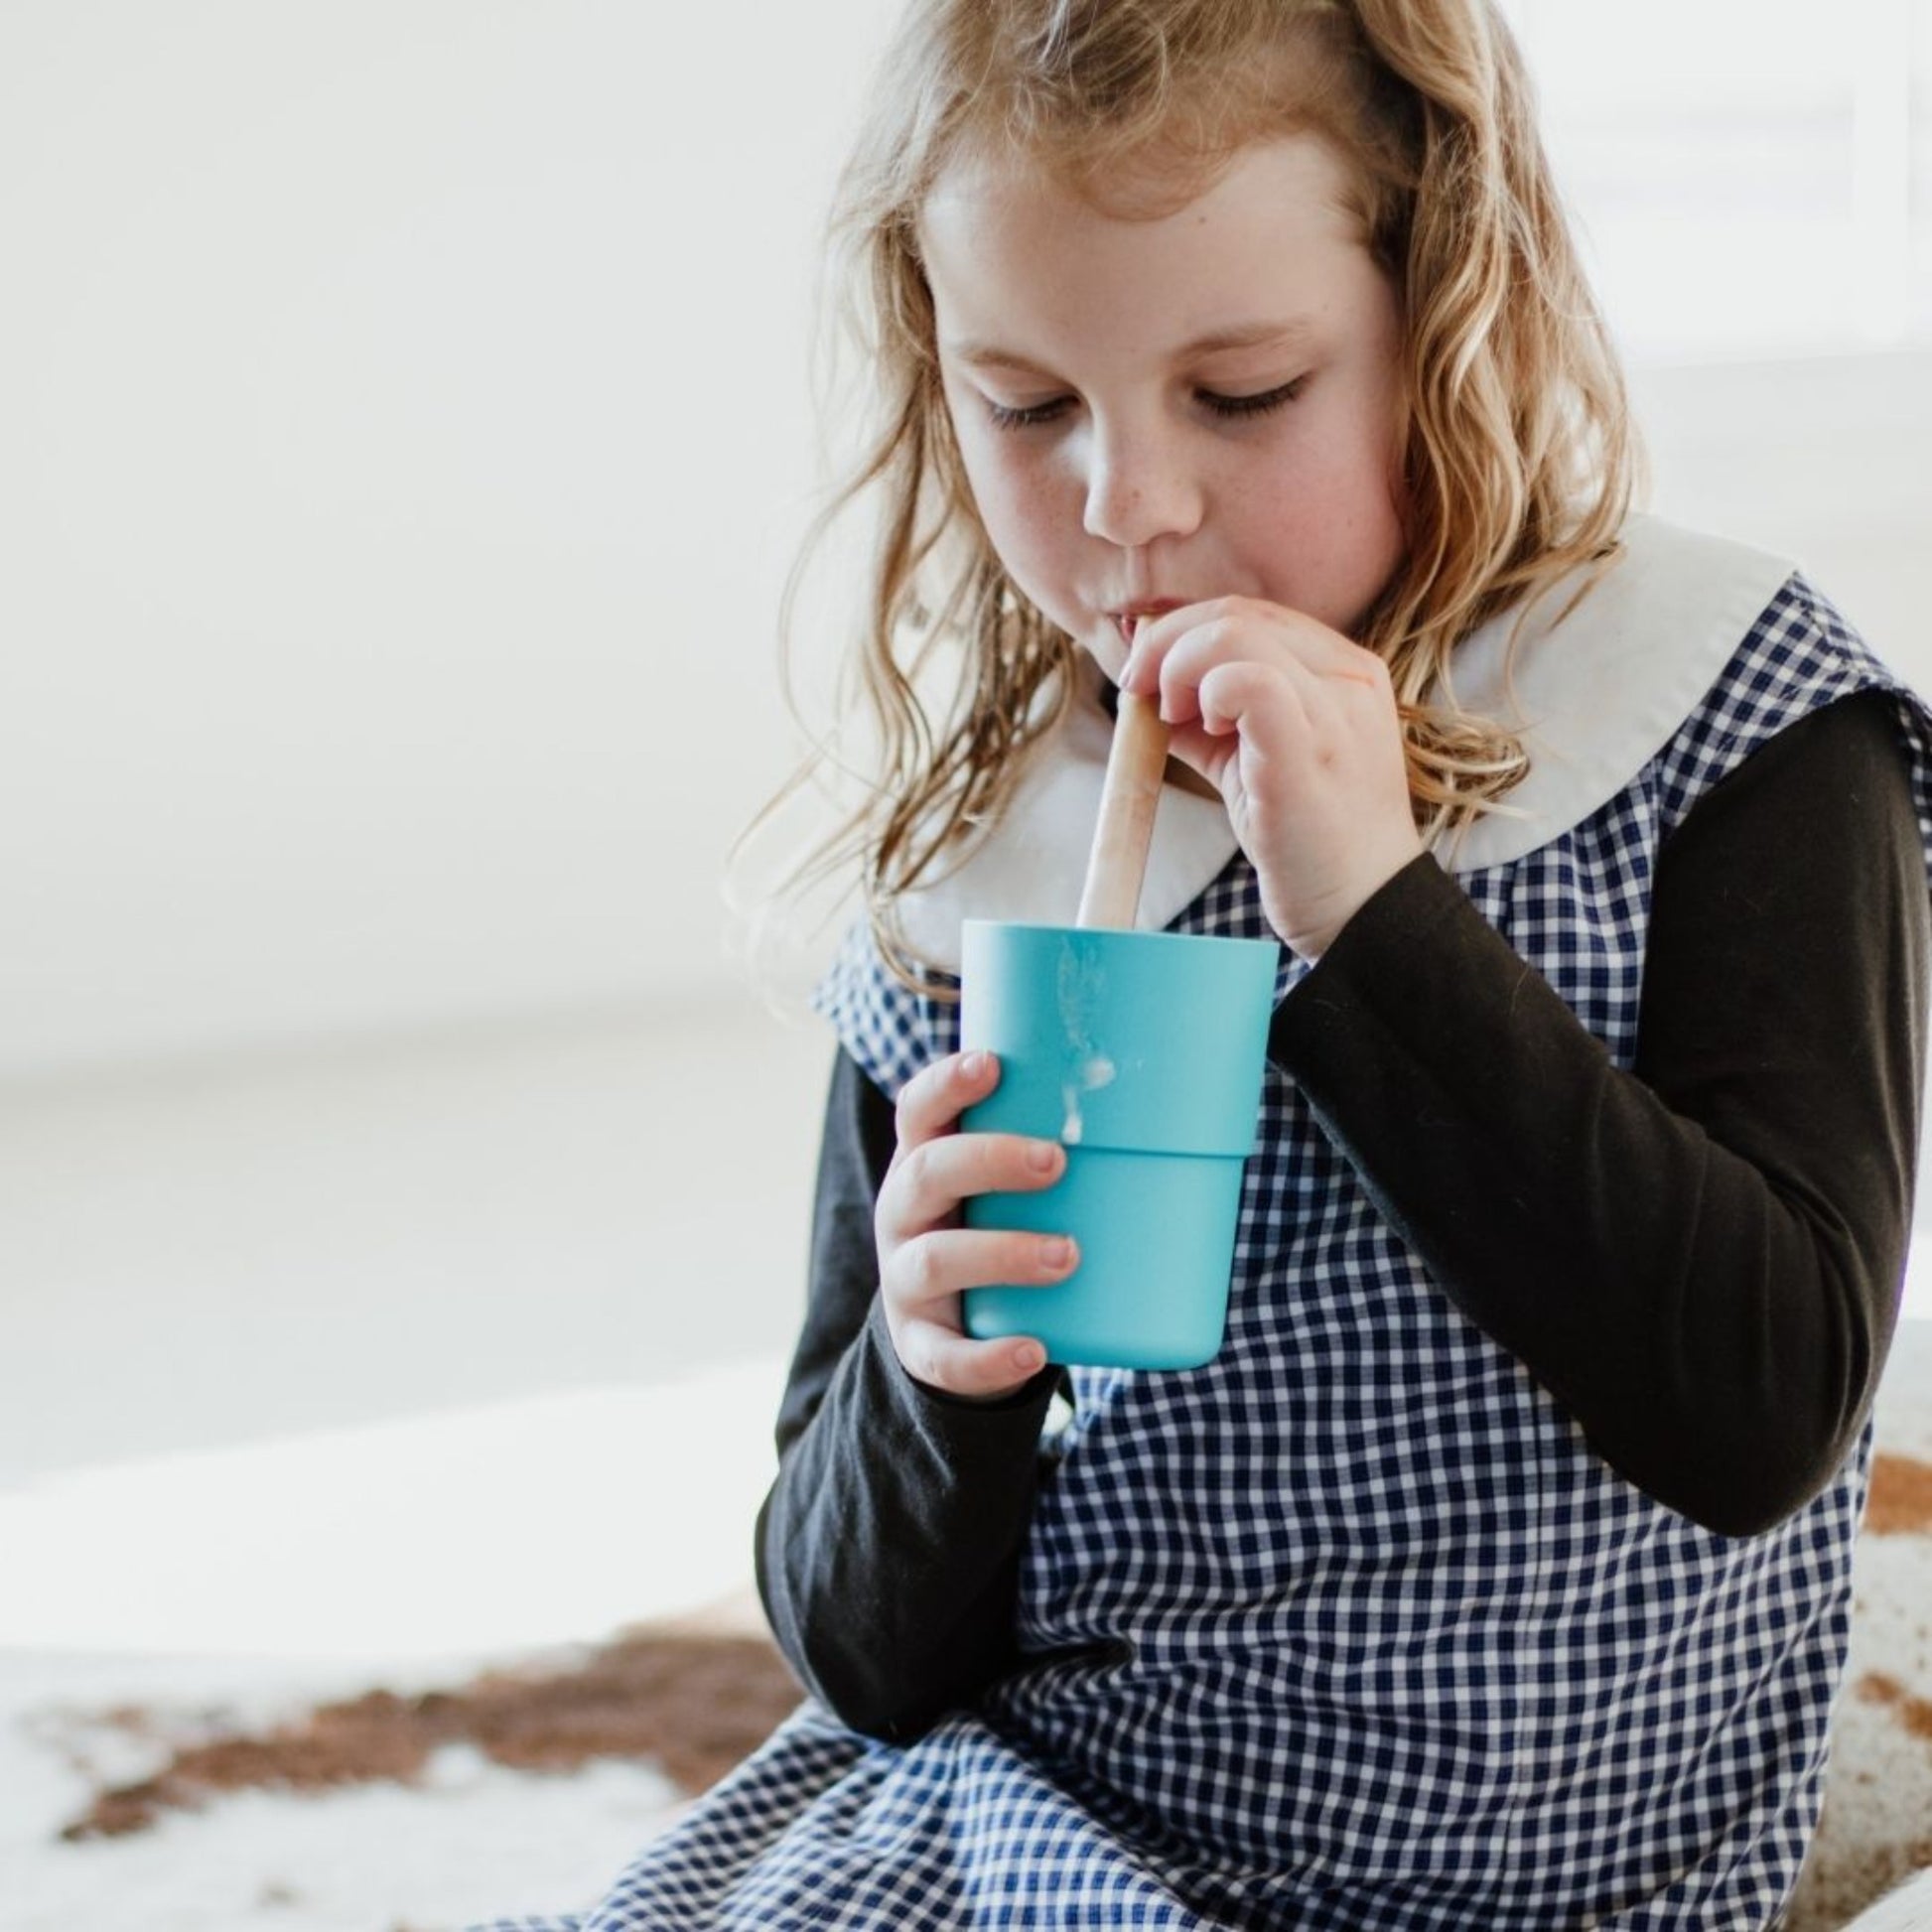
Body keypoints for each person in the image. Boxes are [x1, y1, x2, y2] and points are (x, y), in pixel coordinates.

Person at [474, 1, 1932, 1926]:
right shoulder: (968, 875)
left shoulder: (1706, 711)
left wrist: (1368, 918)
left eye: (1239, 393)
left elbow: (1757, 1405)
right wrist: (937, 1367)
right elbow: (861, 1651)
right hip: (1048, 1831)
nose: (1123, 508)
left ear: (1443, 302)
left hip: (1558, 1872)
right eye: (1023, 402)